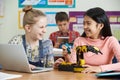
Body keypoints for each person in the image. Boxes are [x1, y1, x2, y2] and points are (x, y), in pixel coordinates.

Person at [54, 7, 120, 73]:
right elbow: (74, 64)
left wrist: (100, 68)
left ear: (100, 26)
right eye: (84, 23)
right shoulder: (79, 40)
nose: (84, 27)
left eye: (88, 23)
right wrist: (65, 62)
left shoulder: (111, 41)